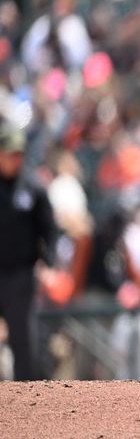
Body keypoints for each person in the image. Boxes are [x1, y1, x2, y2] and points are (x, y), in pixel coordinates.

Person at [0, 122, 57, 380]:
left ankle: (26, 403)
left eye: (19, 154)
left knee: (22, 340)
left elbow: (49, 229)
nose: (16, 159)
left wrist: (48, 263)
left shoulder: (32, 187)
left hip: (20, 275)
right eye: (10, 153)